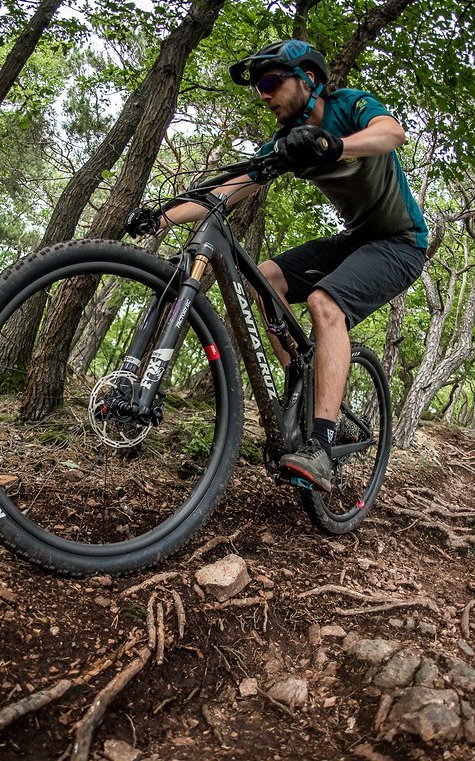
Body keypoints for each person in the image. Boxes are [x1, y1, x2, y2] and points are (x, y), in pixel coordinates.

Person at [126, 39, 428, 492]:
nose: (264, 95)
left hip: (400, 244)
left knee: (326, 302)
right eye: (259, 88)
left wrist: (333, 144)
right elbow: (227, 189)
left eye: (272, 81)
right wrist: (162, 215)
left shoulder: (349, 106)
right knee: (264, 279)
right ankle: (300, 380)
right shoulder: (285, 143)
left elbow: (392, 133)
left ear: (307, 79)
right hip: (354, 240)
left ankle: (322, 446)